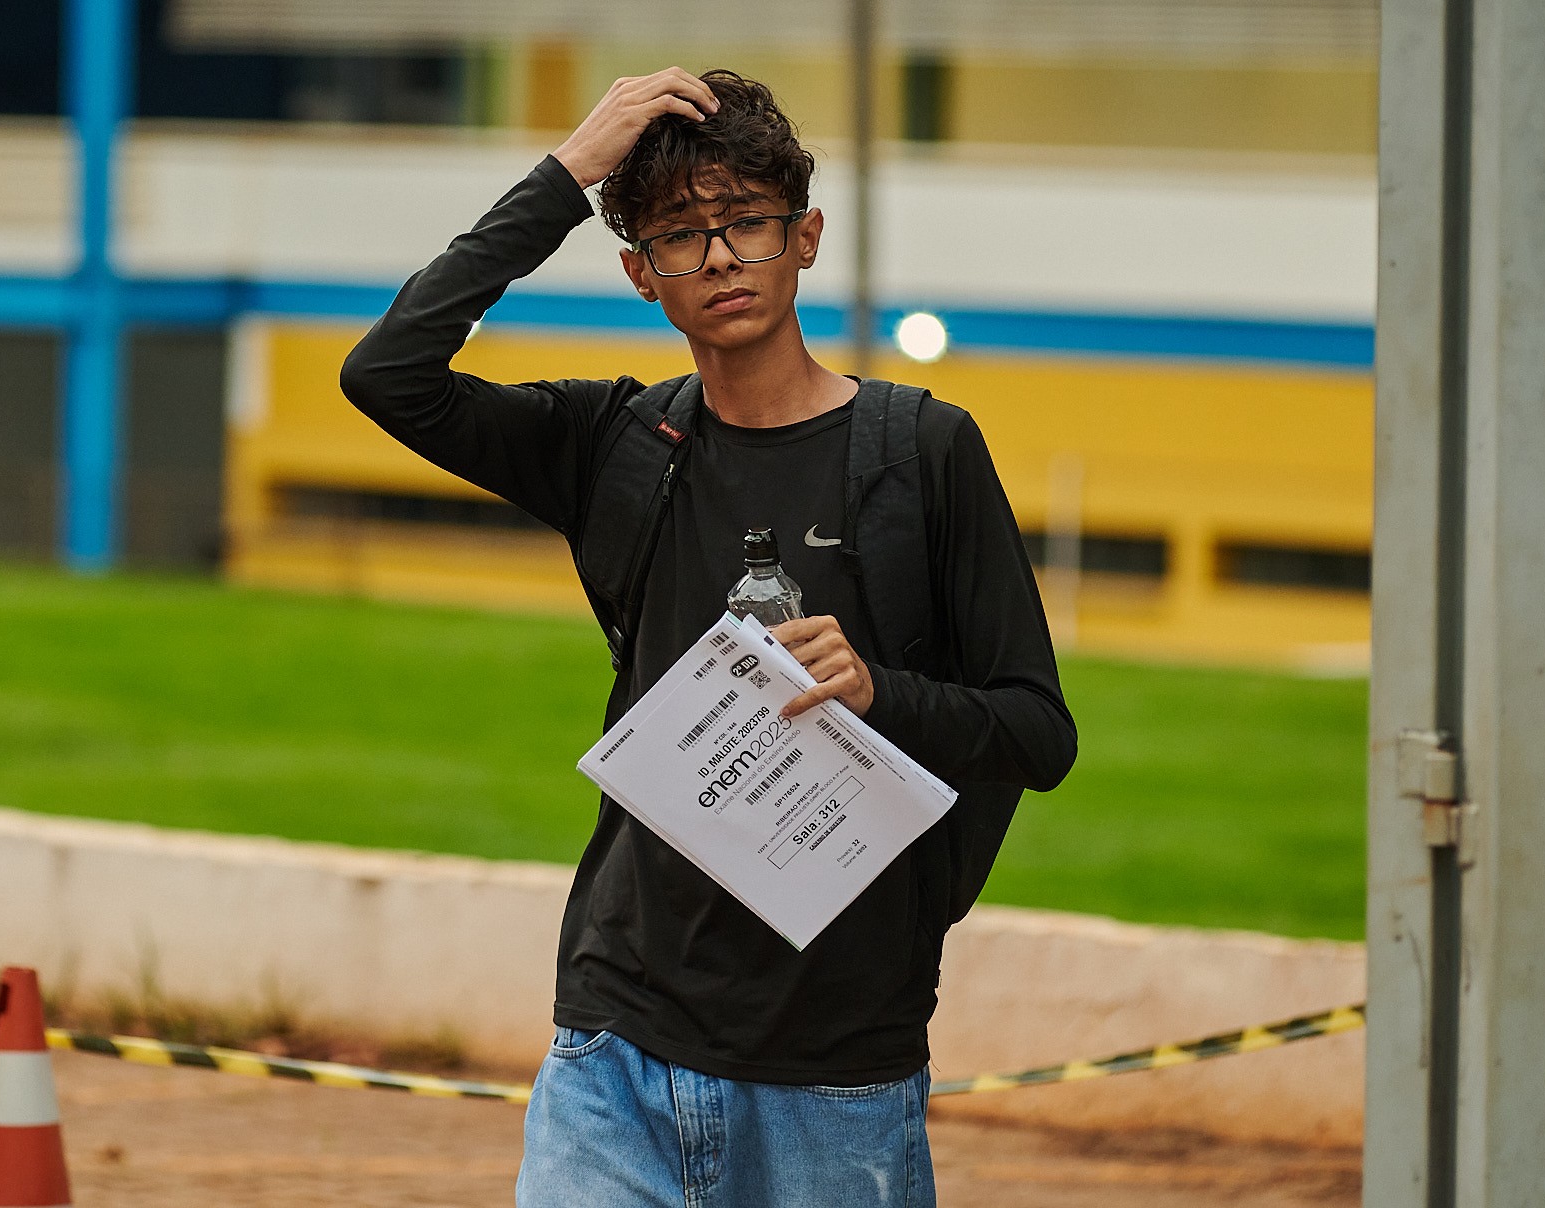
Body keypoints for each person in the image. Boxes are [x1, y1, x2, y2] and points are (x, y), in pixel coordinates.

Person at [341, 67, 1076, 1208]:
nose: (720, 256)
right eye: (679, 236)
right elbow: (388, 372)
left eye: (744, 222)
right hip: (613, 1044)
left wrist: (879, 690)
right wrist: (568, 171)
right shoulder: (614, 442)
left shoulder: (920, 452)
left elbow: (1037, 733)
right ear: (639, 274)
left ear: (805, 236)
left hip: (834, 1070)